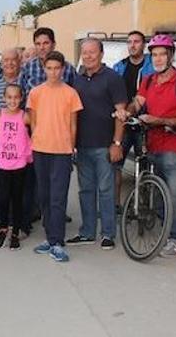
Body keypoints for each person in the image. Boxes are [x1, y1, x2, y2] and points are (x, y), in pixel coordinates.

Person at [126, 34, 176, 258]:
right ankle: (165, 230)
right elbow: (138, 102)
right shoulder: (148, 80)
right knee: (158, 192)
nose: (157, 59)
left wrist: (161, 121)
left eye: (162, 54)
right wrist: (127, 111)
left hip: (173, 145)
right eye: (154, 54)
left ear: (171, 55)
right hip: (151, 143)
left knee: (175, 193)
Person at [67, 39, 127, 251]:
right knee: (86, 191)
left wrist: (117, 143)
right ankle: (87, 232)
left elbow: (121, 114)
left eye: (92, 52)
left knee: (106, 190)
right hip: (82, 146)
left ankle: (108, 233)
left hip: (105, 146)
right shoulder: (77, 79)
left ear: (101, 54)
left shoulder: (113, 78)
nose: (88, 56)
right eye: (85, 53)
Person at [28, 51, 83, 263]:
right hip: (40, 149)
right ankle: (49, 238)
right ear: (44, 69)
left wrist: (71, 146)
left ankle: (58, 242)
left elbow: (73, 124)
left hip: (61, 150)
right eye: (49, 68)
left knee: (58, 197)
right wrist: (36, 139)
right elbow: (33, 120)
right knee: (44, 196)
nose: (53, 72)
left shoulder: (70, 93)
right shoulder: (36, 93)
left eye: (56, 68)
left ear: (63, 69)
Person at [112, 30, 154, 208]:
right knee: (115, 163)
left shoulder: (152, 66)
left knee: (145, 166)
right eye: (129, 42)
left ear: (143, 45)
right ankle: (115, 204)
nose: (132, 45)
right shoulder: (119, 66)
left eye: (136, 41)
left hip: (145, 123)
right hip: (124, 121)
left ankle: (144, 203)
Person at [0, 84, 31, 251]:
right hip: (3, 162)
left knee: (17, 197)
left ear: (21, 99)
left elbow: (33, 131)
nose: (13, 100)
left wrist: (28, 148)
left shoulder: (25, 116)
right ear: (4, 98)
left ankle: (15, 231)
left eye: (16, 97)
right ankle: (3, 228)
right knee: (3, 197)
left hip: (19, 163)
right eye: (9, 97)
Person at [0, 48, 23, 226]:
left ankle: (18, 219)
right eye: (5, 60)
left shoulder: (25, 81)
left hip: (20, 144)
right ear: (0, 63)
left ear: (19, 61)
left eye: (13, 60)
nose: (9, 63)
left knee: (19, 184)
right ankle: (1, 218)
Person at [18, 28, 76, 95]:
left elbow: (75, 94)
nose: (42, 47)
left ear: (53, 45)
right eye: (38, 44)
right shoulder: (28, 68)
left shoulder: (68, 68)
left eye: (46, 43)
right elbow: (20, 94)